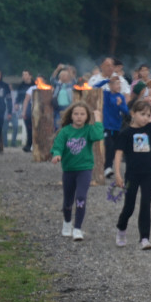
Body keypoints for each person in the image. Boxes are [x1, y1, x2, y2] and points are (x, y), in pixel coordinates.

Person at [112, 97, 151, 250]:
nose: (146, 118)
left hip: (149, 174)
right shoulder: (126, 133)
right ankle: (121, 228)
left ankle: (145, 238)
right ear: (133, 113)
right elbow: (118, 154)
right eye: (142, 114)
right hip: (132, 175)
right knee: (129, 206)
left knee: (146, 205)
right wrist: (117, 174)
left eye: (149, 115)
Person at [51, 100, 105, 241]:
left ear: (87, 116)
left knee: (81, 197)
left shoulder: (88, 130)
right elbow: (58, 145)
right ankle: (67, 223)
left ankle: (78, 228)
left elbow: (99, 135)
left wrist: (98, 119)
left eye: (82, 114)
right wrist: (57, 154)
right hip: (69, 170)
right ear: (71, 116)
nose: (79, 117)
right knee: (68, 201)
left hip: (85, 169)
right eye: (76, 114)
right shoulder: (65, 131)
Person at [94, 75, 130, 178]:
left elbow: (126, 112)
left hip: (116, 127)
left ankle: (110, 167)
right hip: (106, 126)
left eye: (119, 84)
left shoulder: (121, 96)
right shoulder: (106, 94)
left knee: (115, 147)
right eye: (116, 84)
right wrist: (106, 80)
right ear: (110, 85)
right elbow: (95, 87)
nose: (118, 86)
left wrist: (120, 105)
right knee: (108, 146)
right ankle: (107, 167)